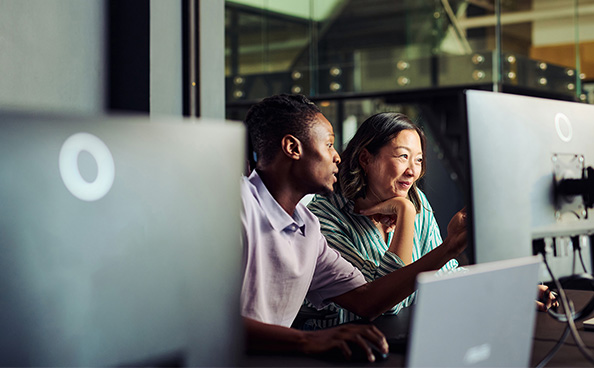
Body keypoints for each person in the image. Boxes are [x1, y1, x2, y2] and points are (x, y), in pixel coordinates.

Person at [240, 94, 468, 362]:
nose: (337, 156)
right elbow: (201, 316)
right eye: (329, 145)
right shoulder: (238, 206)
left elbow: (367, 299)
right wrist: (308, 339)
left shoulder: (306, 227)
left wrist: (450, 247)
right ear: (293, 147)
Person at [306, 112, 461, 326]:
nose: (412, 171)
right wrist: (405, 213)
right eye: (402, 157)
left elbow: (443, 277)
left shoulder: (418, 201)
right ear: (366, 159)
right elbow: (384, 303)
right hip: (348, 348)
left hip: (409, 335)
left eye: (418, 160)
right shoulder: (325, 216)